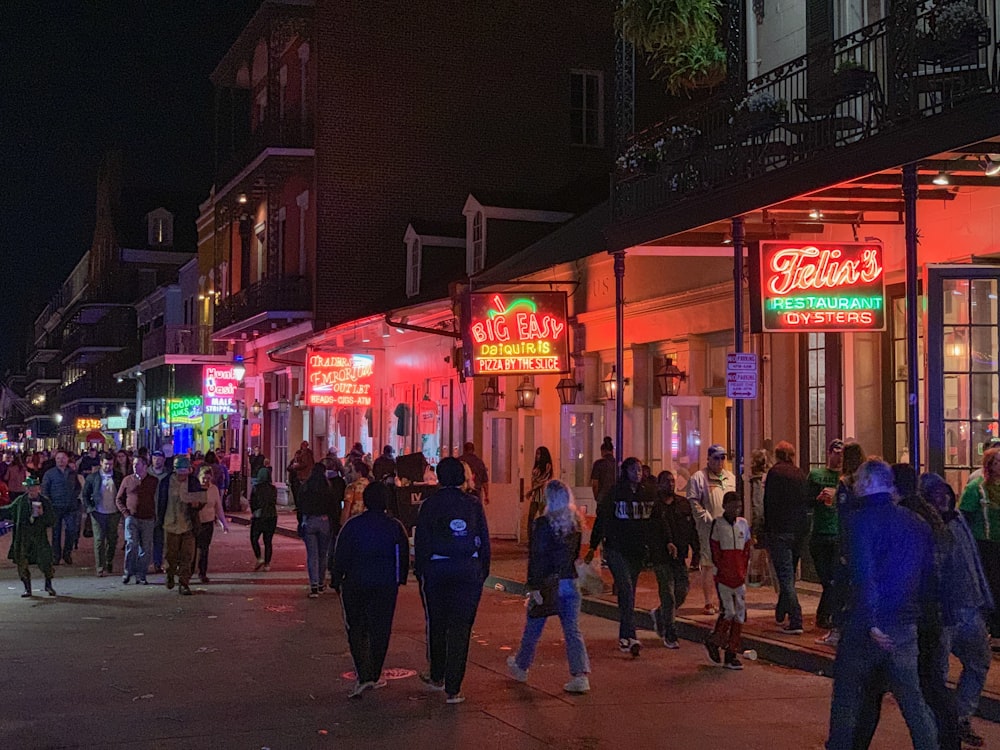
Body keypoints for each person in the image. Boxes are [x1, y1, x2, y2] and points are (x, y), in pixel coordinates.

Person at [825, 459, 939, 750]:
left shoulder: (860, 520)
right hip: (904, 622)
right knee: (912, 699)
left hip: (867, 624)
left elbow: (863, 573)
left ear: (867, 483)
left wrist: (871, 619)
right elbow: (928, 576)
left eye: (860, 482)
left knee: (848, 698)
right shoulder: (917, 523)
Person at [923, 473, 992, 749]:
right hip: (945, 612)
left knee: (978, 662)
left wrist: (983, 598)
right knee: (937, 675)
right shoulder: (929, 527)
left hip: (969, 607)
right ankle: (942, 727)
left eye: (945, 493)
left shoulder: (958, 520)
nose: (943, 498)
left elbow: (972, 561)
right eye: (936, 494)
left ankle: (959, 718)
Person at [414, 456, 491, 704]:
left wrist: (421, 570)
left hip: (437, 569)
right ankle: (454, 687)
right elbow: (484, 539)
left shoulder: (429, 504)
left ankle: (437, 674)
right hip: (468, 569)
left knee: (437, 622)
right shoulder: (472, 504)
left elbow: (422, 542)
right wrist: (481, 571)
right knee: (460, 628)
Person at [507, 479, 591, 694]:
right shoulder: (575, 523)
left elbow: (538, 557)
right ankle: (580, 675)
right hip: (569, 581)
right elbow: (573, 555)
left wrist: (534, 585)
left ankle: (521, 665)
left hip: (548, 582)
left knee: (534, 625)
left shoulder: (543, 523)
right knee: (572, 629)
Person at [331, 482, 410, 699]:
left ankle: (364, 671)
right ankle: (373, 671)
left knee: (356, 627)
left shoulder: (353, 526)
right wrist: (399, 579)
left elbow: (341, 555)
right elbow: (403, 556)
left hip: (355, 583)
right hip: (385, 584)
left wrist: (336, 579)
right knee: (380, 628)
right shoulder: (394, 526)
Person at [585, 456, 655, 655]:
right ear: (625, 472)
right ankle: (629, 636)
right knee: (624, 587)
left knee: (629, 592)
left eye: (640, 470)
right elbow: (602, 519)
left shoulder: (646, 493)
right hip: (616, 548)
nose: (638, 473)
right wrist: (593, 546)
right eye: (634, 470)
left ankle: (626, 634)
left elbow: (654, 522)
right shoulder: (615, 494)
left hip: (637, 550)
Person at [763, 440, 809, 635]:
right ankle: (782, 609)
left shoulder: (774, 473)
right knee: (788, 574)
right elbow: (804, 502)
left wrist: (766, 530)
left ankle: (796, 618)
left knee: (785, 576)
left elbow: (769, 503)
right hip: (798, 531)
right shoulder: (799, 473)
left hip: (780, 530)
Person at [704, 491, 752, 670]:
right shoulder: (718, 524)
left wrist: (743, 571)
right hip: (724, 577)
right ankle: (715, 640)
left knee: (739, 614)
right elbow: (715, 550)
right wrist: (721, 570)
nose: (736, 510)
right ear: (725, 506)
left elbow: (746, 549)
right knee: (729, 612)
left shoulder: (743, 524)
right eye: (733, 506)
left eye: (738, 506)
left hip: (739, 576)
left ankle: (731, 653)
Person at [687, 444, 737, 614]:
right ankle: (709, 601)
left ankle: (725, 599)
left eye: (722, 457)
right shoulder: (698, 478)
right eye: (716, 457)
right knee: (708, 564)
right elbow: (693, 502)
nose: (720, 461)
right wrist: (707, 519)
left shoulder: (730, 478)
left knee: (727, 563)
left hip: (727, 528)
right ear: (708, 458)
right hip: (709, 529)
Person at [959, 446, 1000, 650]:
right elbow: (964, 515)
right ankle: (994, 630)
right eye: (997, 462)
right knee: (991, 586)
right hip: (985, 545)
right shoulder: (977, 487)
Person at [649, 470, 696, 648]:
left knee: (682, 591)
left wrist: (695, 551)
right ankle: (670, 632)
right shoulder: (655, 507)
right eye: (666, 481)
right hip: (661, 556)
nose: (670, 484)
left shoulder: (682, 504)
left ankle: (660, 614)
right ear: (659, 484)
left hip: (680, 556)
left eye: (672, 481)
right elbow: (652, 532)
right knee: (667, 593)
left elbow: (691, 529)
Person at [808, 439, 843, 638]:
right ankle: (825, 615)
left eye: (842, 454)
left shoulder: (846, 479)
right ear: (829, 453)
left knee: (833, 579)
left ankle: (825, 615)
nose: (838, 457)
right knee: (826, 579)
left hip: (837, 534)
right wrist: (817, 499)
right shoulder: (816, 475)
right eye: (836, 453)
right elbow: (805, 501)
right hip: (820, 533)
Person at [0, 476, 56, 597]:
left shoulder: (45, 501)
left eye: (34, 487)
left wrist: (42, 514)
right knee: (22, 562)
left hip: (39, 537)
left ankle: (48, 584)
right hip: (23, 537)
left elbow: (51, 520)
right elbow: (8, 510)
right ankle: (27, 588)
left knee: (45, 560)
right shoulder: (21, 501)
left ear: (38, 488)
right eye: (29, 488)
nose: (32, 490)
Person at [162, 456, 204, 596]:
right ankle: (170, 573)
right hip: (170, 523)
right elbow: (159, 502)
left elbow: (201, 498)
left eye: (185, 472)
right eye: (180, 473)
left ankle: (184, 583)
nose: (182, 476)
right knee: (171, 555)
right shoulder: (166, 482)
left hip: (188, 524)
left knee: (187, 556)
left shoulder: (193, 482)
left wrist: (197, 504)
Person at [116, 455, 159, 585]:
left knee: (145, 548)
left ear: (145, 466)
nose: (135, 467)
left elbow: (158, 498)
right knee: (131, 544)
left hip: (147, 518)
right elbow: (119, 499)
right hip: (132, 518)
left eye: (138, 464)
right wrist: (126, 514)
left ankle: (141, 574)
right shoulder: (127, 480)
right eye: (134, 464)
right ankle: (128, 571)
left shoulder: (153, 481)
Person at [81, 452, 122, 578]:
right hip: (98, 512)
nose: (108, 467)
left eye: (110, 464)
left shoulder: (118, 476)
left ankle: (109, 560)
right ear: (101, 463)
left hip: (114, 512)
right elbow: (85, 494)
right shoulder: (93, 478)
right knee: (99, 540)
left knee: (112, 539)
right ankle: (100, 566)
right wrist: (90, 508)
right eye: (106, 464)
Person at [298, 462, 336, 598]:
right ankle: (321, 583)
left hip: (310, 520)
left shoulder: (306, 487)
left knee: (312, 555)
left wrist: (300, 522)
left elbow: (300, 506)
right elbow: (333, 507)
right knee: (322, 554)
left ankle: (314, 585)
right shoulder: (327, 488)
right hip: (324, 521)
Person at [42, 450, 79, 566]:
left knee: (71, 530)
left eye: (63, 458)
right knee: (56, 533)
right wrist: (47, 504)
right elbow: (45, 490)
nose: (61, 460)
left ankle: (67, 553)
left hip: (70, 507)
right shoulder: (50, 473)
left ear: (67, 459)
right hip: (55, 507)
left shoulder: (72, 473)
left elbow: (78, 487)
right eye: (58, 458)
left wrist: (74, 497)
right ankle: (56, 555)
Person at [194, 466, 229, 583]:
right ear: (199, 477)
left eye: (208, 479)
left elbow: (218, 507)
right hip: (195, 522)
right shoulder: (195, 488)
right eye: (204, 478)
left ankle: (202, 573)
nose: (206, 481)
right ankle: (187, 572)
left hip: (208, 523)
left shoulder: (214, 489)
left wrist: (223, 523)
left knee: (204, 549)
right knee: (193, 549)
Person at [250, 466, 278, 572]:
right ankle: (267, 564)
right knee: (268, 541)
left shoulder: (256, 488)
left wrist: (254, 512)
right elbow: (273, 502)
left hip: (259, 516)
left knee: (254, 538)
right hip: (272, 516)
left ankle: (259, 557)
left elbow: (253, 502)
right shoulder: (273, 489)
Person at [148, 450, 172, 574]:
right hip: (148, 512)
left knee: (160, 540)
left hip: (164, 512)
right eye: (155, 458)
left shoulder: (168, 476)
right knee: (145, 540)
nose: (157, 460)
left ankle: (158, 563)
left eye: (159, 458)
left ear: (163, 460)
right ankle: (144, 564)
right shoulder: (145, 474)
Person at [525, 446, 553, 530]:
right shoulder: (537, 467)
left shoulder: (547, 466)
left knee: (542, 517)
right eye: (536, 454)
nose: (537, 456)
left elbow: (543, 480)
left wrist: (531, 490)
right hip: (535, 496)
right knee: (531, 517)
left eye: (539, 454)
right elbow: (534, 480)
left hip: (542, 496)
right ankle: (531, 539)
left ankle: (542, 537)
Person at [590, 437, 617, 505]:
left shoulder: (598, 464)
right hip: (615, 497)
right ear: (612, 451)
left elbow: (595, 484)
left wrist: (596, 497)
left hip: (603, 497)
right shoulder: (617, 464)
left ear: (602, 451)